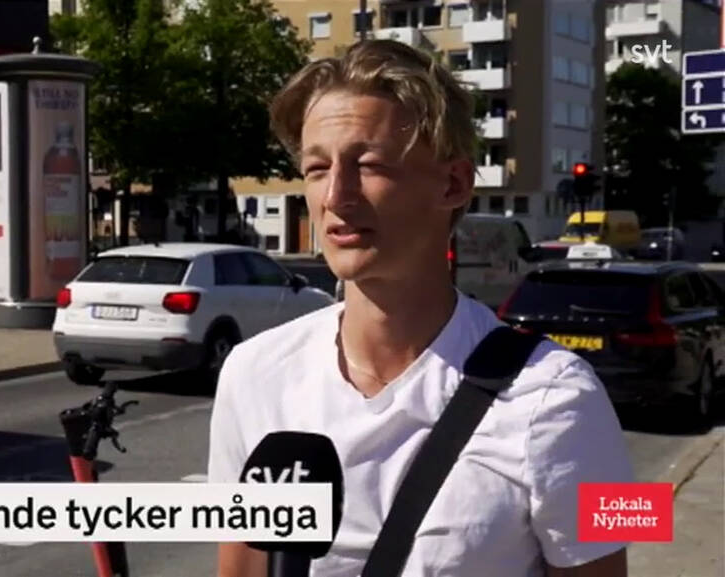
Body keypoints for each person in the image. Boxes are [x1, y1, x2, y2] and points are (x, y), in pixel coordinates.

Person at [207, 40, 634, 577]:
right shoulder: (252, 372)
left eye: (369, 164)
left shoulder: (564, 396)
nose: (335, 196)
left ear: (454, 183)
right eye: (316, 168)